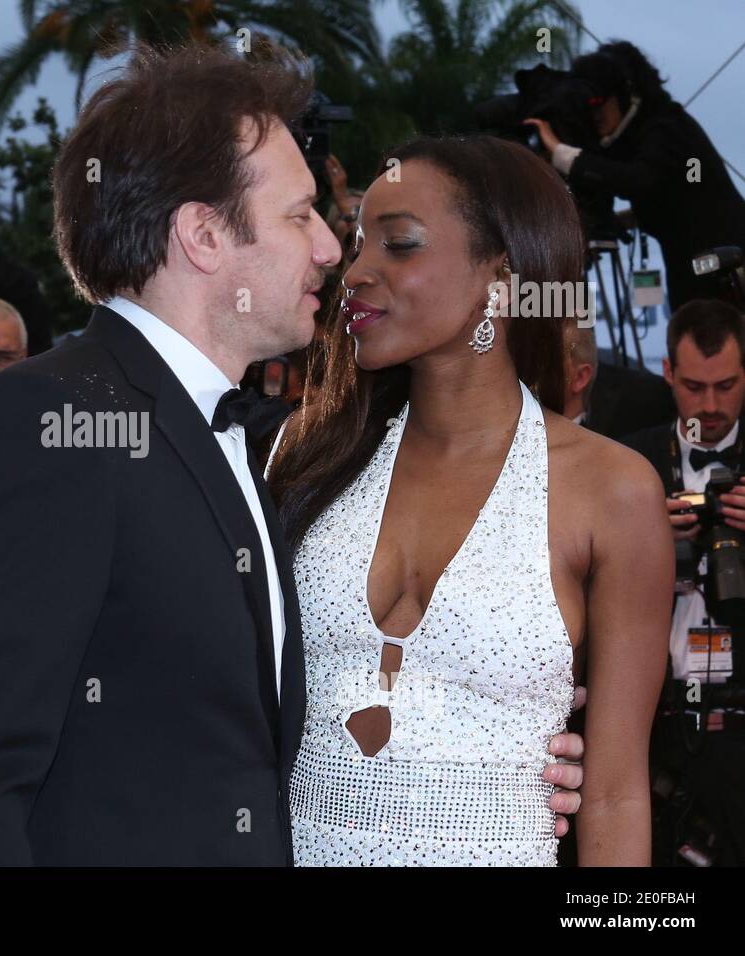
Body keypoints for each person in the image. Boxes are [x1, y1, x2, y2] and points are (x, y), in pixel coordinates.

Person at [0, 45, 584, 866]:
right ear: (205, 235)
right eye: (299, 215)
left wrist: (486, 758)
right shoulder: (48, 422)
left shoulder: (253, 444)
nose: (330, 250)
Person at [267, 134, 671, 865]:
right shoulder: (306, 458)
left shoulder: (612, 490)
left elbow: (614, 793)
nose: (356, 272)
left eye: (399, 245)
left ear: (503, 279)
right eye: (358, 245)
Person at [619, 298, 745, 863]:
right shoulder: (629, 462)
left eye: (727, 385)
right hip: (653, 722)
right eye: (694, 387)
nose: (711, 405)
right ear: (667, 373)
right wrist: (637, 536)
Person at [524, 41, 745, 310]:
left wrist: (561, 153)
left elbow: (637, 180)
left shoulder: (667, 129)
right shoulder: (651, 132)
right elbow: (667, 198)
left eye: (598, 101)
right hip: (698, 272)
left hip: (725, 272)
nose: (593, 115)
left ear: (625, 92)